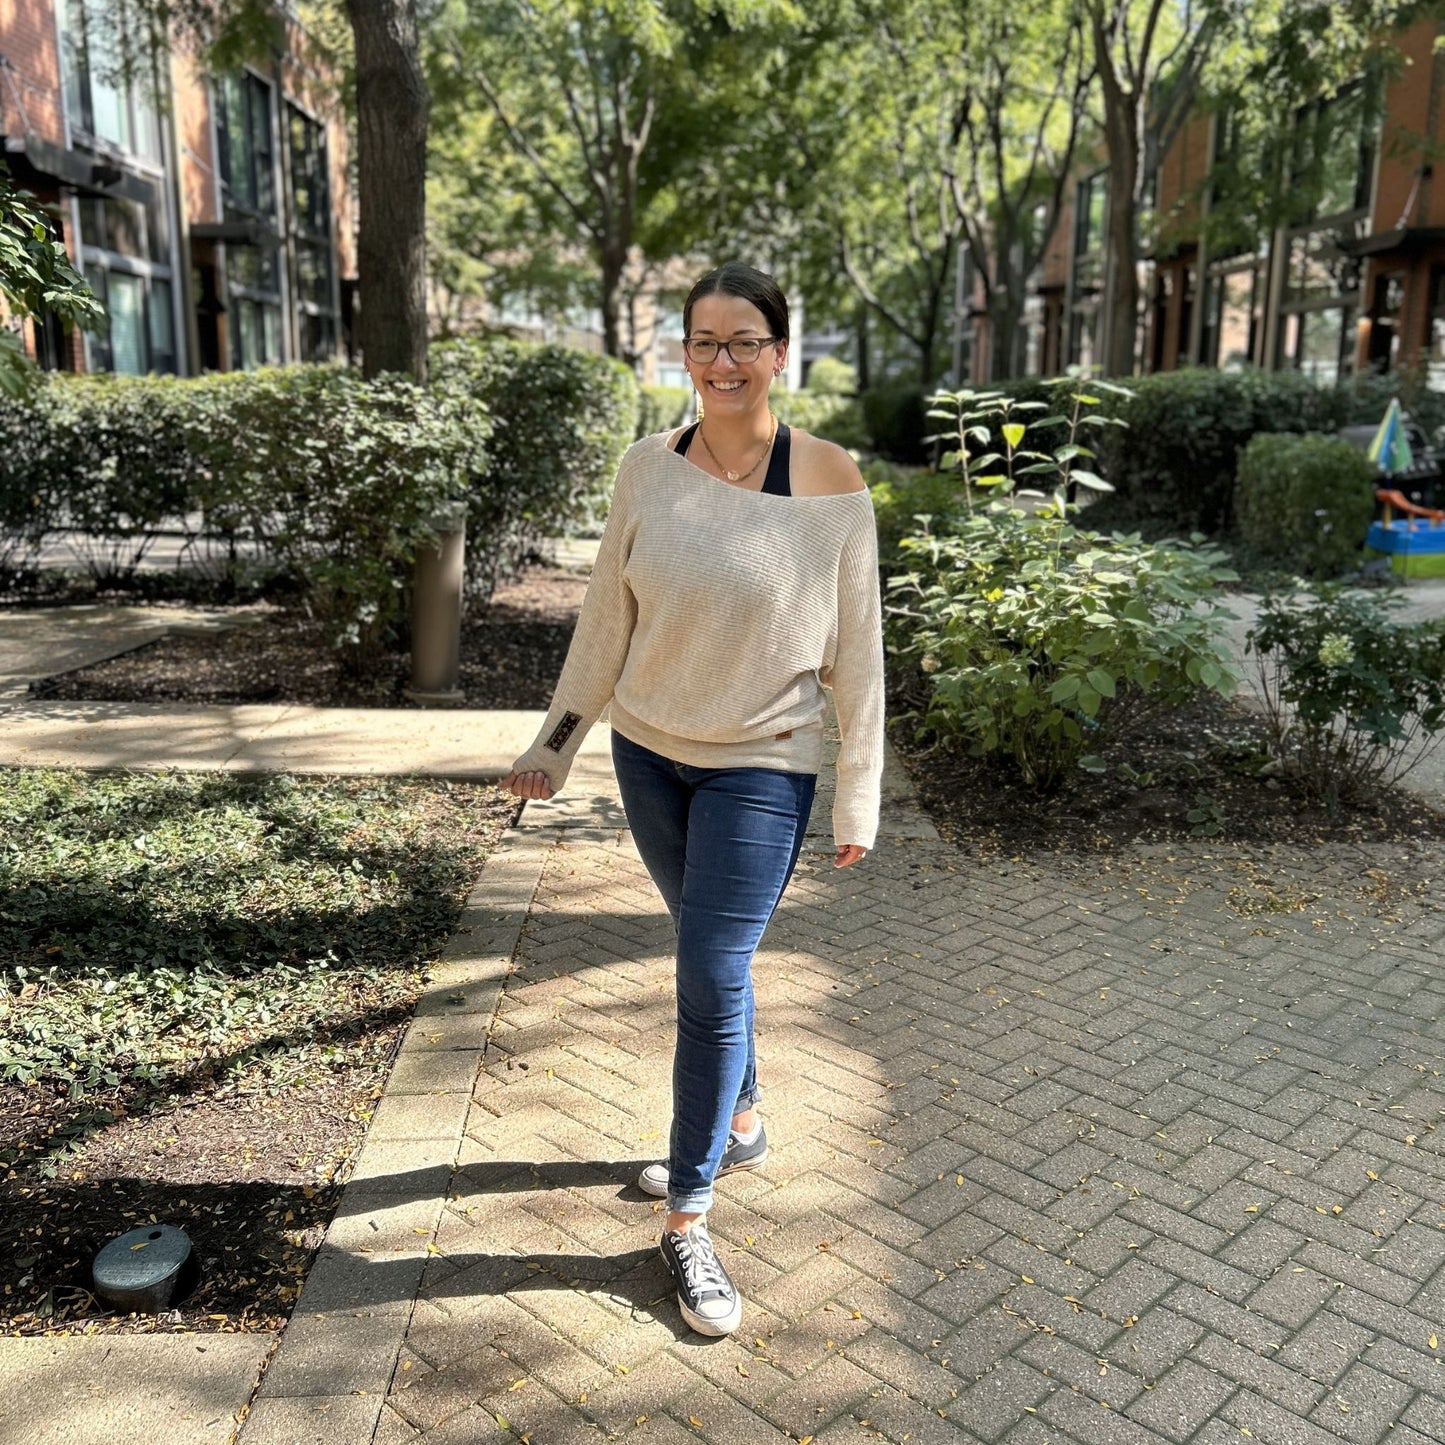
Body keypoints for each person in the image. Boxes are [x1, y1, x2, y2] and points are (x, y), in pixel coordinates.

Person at [503, 262, 884, 1337]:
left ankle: (686, 1216)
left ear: (778, 352)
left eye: (743, 340)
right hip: (650, 753)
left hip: (765, 760)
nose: (722, 360)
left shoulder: (827, 480)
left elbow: (858, 654)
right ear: (683, 353)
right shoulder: (645, 469)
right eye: (701, 341)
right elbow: (603, 623)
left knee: (708, 971)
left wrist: (856, 794)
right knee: (710, 953)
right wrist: (555, 741)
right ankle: (743, 1115)